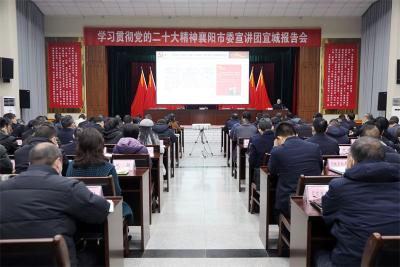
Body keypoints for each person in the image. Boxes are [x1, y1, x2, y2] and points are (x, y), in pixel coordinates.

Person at [0, 143, 110, 266]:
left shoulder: (3, 187)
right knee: (98, 251)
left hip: (8, 262)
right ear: (58, 162)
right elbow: (100, 211)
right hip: (58, 262)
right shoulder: (68, 186)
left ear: (30, 163)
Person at [318, 137, 400, 267]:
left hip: (353, 261)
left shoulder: (340, 186)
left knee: (317, 251)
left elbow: (328, 218)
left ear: (352, 159)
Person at [66, 128, 133, 220]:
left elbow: (69, 191)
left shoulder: (71, 166)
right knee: (125, 206)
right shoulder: (108, 167)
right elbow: (117, 194)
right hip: (104, 210)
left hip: (78, 209)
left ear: (79, 146)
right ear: (100, 145)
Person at [268, 122, 322, 218]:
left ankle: (284, 228)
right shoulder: (315, 147)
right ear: (295, 134)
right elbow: (320, 168)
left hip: (289, 201)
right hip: (314, 198)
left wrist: (275, 147)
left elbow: (272, 172)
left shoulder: (277, 151)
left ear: (279, 138)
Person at [248, 118, 275, 189]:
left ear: (259, 128)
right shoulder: (278, 139)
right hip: (276, 176)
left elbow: (252, 162)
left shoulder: (255, 140)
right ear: (272, 127)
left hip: (260, 175)